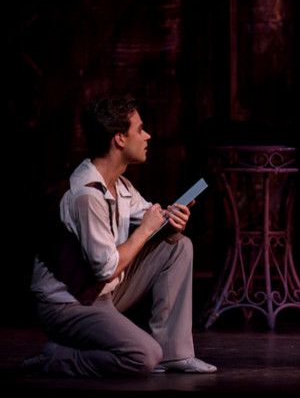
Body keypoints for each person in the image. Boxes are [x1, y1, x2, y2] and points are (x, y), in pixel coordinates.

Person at [23, 95, 217, 377]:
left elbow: (153, 222)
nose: (148, 135)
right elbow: (106, 269)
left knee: (177, 246)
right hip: (68, 305)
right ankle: (57, 357)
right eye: (140, 129)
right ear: (120, 139)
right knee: (143, 356)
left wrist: (171, 223)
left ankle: (176, 354)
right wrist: (146, 229)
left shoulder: (121, 186)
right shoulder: (86, 195)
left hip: (103, 294)